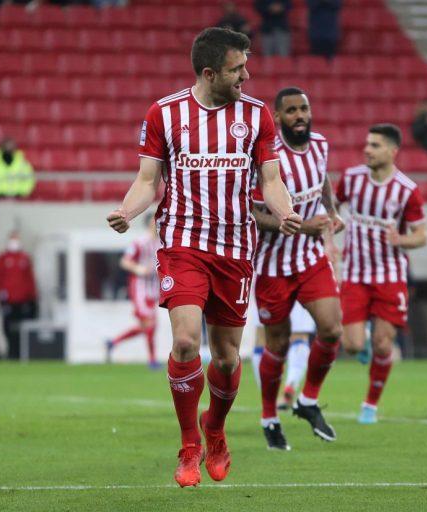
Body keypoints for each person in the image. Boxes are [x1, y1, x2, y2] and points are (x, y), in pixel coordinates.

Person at [106, 27, 301, 488]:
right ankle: (190, 443)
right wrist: (127, 211)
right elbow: (148, 180)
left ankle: (215, 428)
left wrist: (286, 211)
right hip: (183, 243)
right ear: (210, 73)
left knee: (228, 358)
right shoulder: (164, 113)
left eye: (246, 66)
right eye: (237, 69)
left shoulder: (257, 115)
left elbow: (270, 180)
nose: (246, 76)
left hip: (235, 247)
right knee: (186, 342)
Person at [251, 87, 344, 450]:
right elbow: (253, 212)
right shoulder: (266, 156)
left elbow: (322, 180)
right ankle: (269, 418)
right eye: (291, 110)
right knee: (277, 343)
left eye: (303, 108)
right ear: (277, 117)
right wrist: (301, 225)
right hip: (272, 264)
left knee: (331, 329)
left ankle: (307, 400)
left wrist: (332, 212)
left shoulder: (320, 144)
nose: (300, 115)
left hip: (309, 258)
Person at [336, 124, 427, 425]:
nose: (367, 150)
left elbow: (422, 236)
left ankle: (370, 405)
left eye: (375, 145)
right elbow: (332, 208)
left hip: (389, 276)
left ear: (392, 151)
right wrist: (330, 232)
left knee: (384, 343)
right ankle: (361, 341)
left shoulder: (406, 190)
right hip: (354, 273)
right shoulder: (351, 179)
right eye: (367, 144)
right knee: (351, 345)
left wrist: (401, 240)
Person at [105, 216, 162, 369]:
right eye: (154, 221)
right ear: (149, 223)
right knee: (150, 324)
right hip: (140, 289)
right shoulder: (140, 242)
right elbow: (125, 261)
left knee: (148, 326)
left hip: (154, 290)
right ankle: (152, 361)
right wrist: (139, 269)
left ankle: (113, 342)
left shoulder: (161, 243)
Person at [0, 231, 38, 360]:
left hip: (24, 300)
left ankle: (22, 352)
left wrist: (33, 296)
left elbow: (30, 278)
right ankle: (11, 352)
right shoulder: (2, 258)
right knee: (8, 327)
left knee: (23, 327)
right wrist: (0, 295)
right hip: (9, 300)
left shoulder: (25, 258)